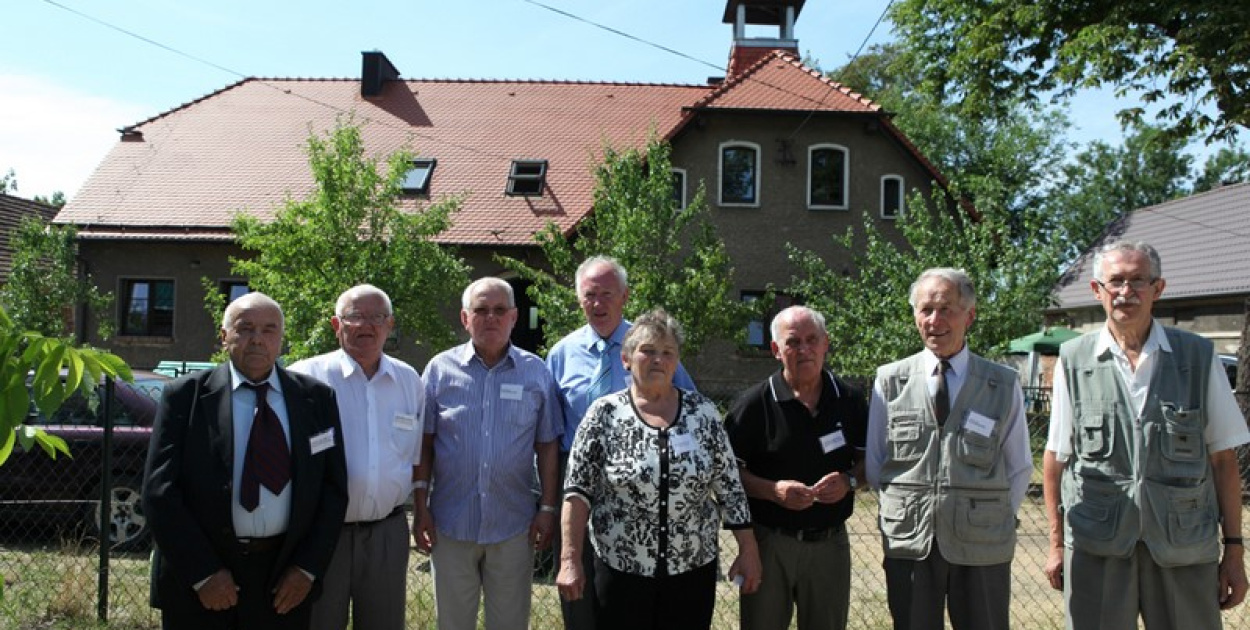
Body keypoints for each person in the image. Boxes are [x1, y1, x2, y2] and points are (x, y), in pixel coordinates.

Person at [1042, 241, 1249, 629]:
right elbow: (1056, 458)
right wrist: (1056, 545)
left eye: (1138, 281)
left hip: (1182, 548)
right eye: (1115, 281)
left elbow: (1223, 461)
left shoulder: (1198, 357)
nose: (1126, 292)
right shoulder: (1074, 360)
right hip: (1098, 545)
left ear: (1158, 288)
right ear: (1096, 290)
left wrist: (1234, 552)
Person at [143, 292, 348, 630]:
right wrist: (203, 573)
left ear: (281, 339)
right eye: (245, 328)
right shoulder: (186, 397)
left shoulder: (315, 399)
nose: (257, 339)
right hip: (202, 580)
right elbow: (159, 492)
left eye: (269, 330)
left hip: (283, 580)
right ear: (224, 337)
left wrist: (307, 569)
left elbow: (332, 490)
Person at [556, 308, 762, 630]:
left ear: (677, 362)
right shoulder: (604, 415)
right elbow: (576, 493)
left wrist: (748, 549)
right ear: (626, 359)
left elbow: (729, 487)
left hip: (691, 571)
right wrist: (570, 560)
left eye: (667, 353)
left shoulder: (703, 413)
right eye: (647, 351)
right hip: (621, 570)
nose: (658, 360)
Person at [865, 268, 1032, 630]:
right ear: (914, 316)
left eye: (946, 309)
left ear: (969, 315)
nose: (934, 320)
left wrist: (983, 516)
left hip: (982, 546)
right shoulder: (889, 381)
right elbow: (877, 462)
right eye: (925, 310)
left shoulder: (1001, 384)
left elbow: (1018, 466)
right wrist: (909, 508)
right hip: (911, 541)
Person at [545, 255, 696, 629]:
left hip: (639, 484)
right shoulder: (561, 354)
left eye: (607, 294)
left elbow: (690, 411)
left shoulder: (652, 348)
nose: (598, 303)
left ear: (625, 296)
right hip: (577, 485)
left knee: (627, 593)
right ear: (579, 298)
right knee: (577, 583)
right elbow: (549, 432)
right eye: (589, 294)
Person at [413, 277, 562, 630]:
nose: (490, 318)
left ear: (513, 317)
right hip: (450, 524)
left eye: (499, 311)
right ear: (465, 318)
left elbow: (547, 446)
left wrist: (548, 509)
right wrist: (420, 507)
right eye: (481, 310)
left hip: (513, 526)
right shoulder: (438, 370)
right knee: (452, 624)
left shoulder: (535, 372)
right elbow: (424, 444)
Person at [287, 285, 423, 630]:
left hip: (387, 533)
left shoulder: (409, 380)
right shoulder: (305, 377)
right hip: (321, 535)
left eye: (377, 317)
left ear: (390, 325)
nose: (367, 325)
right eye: (355, 317)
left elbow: (417, 455)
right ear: (336, 325)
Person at [724, 305, 867, 630]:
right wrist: (772, 491)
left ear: (826, 343)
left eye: (812, 339)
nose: (804, 350)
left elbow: (868, 462)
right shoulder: (753, 406)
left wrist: (848, 481)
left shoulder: (849, 399)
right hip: (770, 543)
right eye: (793, 342)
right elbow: (727, 476)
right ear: (776, 349)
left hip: (830, 544)